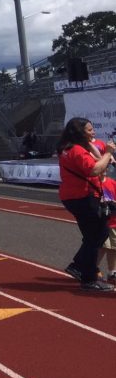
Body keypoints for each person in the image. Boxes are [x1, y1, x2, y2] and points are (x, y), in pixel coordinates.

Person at [57, 117, 116, 291]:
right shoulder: (75, 150)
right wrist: (108, 153)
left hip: (76, 196)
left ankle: (83, 269)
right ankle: (85, 274)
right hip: (83, 197)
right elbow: (95, 169)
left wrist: (93, 146)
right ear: (79, 132)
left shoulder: (69, 148)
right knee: (98, 233)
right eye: (89, 130)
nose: (93, 132)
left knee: (93, 234)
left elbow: (99, 163)